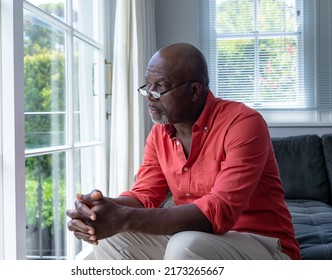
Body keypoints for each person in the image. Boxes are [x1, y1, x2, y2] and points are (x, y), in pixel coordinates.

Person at [66, 43, 301, 260]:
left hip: (264, 244)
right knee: (113, 240)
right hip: (198, 239)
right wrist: (104, 210)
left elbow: (220, 211)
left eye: (160, 87)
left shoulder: (243, 122)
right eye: (148, 85)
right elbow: (144, 195)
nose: (149, 95)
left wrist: (124, 218)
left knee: (186, 245)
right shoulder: (160, 134)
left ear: (195, 90)